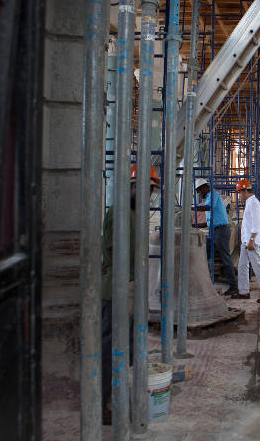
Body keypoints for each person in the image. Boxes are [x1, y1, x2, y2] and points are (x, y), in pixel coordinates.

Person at [100, 164, 159, 425]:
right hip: (116, 289)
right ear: (135, 188)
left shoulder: (136, 213)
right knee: (110, 345)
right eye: (149, 190)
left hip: (132, 287)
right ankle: (103, 402)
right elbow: (114, 253)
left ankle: (127, 395)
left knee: (133, 346)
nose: (151, 196)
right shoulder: (119, 212)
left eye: (153, 191)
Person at [232, 178, 260, 302]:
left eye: (240, 193)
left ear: (245, 191)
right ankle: (244, 291)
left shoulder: (253, 203)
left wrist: (252, 240)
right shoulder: (249, 202)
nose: (239, 196)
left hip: (251, 241)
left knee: (257, 266)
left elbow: (256, 224)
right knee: (242, 266)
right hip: (246, 241)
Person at [193, 178, 238, 295]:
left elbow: (208, 208)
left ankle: (234, 286)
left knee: (225, 258)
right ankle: (204, 282)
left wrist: (193, 207)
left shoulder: (213, 195)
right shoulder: (207, 198)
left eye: (199, 191)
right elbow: (208, 222)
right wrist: (193, 225)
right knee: (205, 254)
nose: (199, 194)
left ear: (204, 187)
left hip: (221, 231)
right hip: (214, 231)